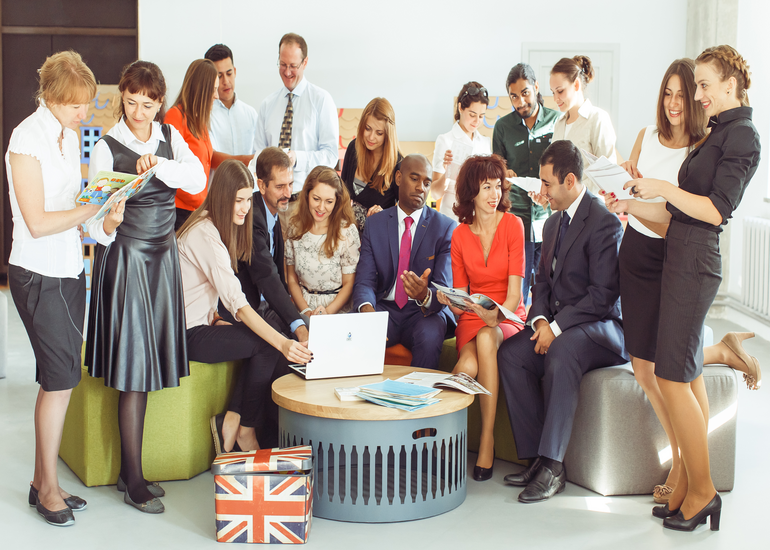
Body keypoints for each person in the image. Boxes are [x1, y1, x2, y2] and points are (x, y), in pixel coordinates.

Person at [605, 45, 760, 532]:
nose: (698, 95)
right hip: (679, 257)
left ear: (731, 84)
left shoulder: (743, 136)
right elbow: (674, 211)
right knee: (677, 372)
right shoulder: (718, 131)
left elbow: (714, 210)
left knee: (673, 376)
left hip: (695, 261)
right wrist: (630, 203)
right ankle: (691, 485)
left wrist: (663, 187)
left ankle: (702, 490)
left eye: (704, 85)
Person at [85, 60, 206, 514]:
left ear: (160, 103)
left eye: (148, 105)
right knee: (134, 369)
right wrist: (110, 220)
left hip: (161, 259)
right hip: (128, 260)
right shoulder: (106, 147)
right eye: (131, 102)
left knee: (147, 367)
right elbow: (93, 221)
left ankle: (128, 472)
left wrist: (161, 165)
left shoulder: (170, 137)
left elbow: (199, 179)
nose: (138, 112)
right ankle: (133, 480)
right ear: (123, 97)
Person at [498, 140, 627, 502]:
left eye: (547, 184)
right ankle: (537, 459)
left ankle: (554, 467)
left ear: (570, 181)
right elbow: (541, 283)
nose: (542, 192)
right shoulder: (553, 223)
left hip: (603, 329)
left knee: (563, 350)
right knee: (511, 354)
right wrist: (541, 321)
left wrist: (555, 329)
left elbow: (602, 296)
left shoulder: (604, 222)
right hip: (560, 324)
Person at [6, 51, 99, 527]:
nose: (84, 113)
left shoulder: (68, 135)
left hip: (67, 269)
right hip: (38, 272)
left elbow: (69, 201)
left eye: (86, 103)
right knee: (60, 380)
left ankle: (43, 481)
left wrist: (101, 202)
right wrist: (89, 211)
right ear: (52, 97)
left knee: (57, 379)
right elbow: (38, 222)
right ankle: (47, 489)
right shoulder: (26, 139)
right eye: (75, 105)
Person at [177, 160, 312, 454]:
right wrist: (283, 343)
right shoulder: (204, 234)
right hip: (185, 335)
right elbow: (236, 302)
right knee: (268, 344)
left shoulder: (214, 226)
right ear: (223, 197)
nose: (245, 208)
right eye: (238, 200)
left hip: (201, 324)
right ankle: (244, 429)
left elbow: (197, 291)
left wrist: (214, 318)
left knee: (267, 334)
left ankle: (235, 420)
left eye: (247, 200)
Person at [436, 155, 527, 481]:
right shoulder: (460, 235)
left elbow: (515, 295)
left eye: (497, 185)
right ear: (470, 192)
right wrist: (450, 301)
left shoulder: (514, 225)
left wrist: (496, 316)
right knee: (467, 366)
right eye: (486, 186)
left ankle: (486, 438)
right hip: (473, 317)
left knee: (488, 337)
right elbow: (462, 301)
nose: (494, 193)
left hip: (508, 315)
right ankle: (445, 445)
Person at [352, 154, 456, 369]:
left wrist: (425, 295)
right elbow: (365, 280)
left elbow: (443, 288)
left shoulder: (444, 227)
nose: (421, 188)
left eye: (427, 183)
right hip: (384, 307)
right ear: (398, 178)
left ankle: (418, 390)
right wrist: (368, 312)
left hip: (423, 312)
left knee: (430, 335)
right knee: (358, 329)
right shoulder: (376, 224)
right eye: (415, 179)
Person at [249, 32, 339, 234]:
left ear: (305, 62)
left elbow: (330, 155)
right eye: (283, 64)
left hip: (304, 205)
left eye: (293, 66)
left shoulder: (321, 101)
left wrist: (297, 158)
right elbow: (258, 155)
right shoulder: (267, 105)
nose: (287, 72)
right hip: (269, 206)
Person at [224, 147, 308, 343]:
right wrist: (297, 326)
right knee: (286, 340)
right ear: (261, 185)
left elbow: (277, 275)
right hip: (245, 310)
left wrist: (297, 319)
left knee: (308, 326)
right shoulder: (251, 217)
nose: (288, 193)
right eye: (280, 187)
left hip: (267, 305)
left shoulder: (272, 210)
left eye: (290, 184)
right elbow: (267, 275)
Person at [493, 63, 560, 307]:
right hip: (516, 218)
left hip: (550, 216)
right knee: (516, 290)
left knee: (549, 286)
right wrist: (503, 173)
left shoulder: (557, 121)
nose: (520, 102)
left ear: (536, 87)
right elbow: (495, 172)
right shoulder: (502, 127)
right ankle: (516, 328)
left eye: (525, 93)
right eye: (514, 96)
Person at [286, 166, 360, 316]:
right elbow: (291, 278)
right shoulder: (294, 228)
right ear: (307, 195)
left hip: (337, 308)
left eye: (329, 201)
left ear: (337, 201)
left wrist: (327, 312)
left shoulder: (347, 231)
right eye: (316, 199)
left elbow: (349, 283)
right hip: (302, 305)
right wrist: (306, 310)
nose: (321, 207)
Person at [164, 58, 219, 229]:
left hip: (196, 211)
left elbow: (208, 160)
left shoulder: (200, 123)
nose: (217, 96)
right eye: (213, 90)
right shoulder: (175, 117)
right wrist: (202, 202)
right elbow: (169, 169)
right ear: (202, 89)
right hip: (179, 212)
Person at [550, 55, 617, 194]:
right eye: (553, 92)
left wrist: (574, 193)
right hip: (562, 205)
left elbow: (608, 173)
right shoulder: (559, 124)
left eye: (560, 91)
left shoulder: (597, 119)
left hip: (589, 204)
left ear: (576, 84)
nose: (556, 98)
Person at [430, 82, 491, 222]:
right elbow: (434, 194)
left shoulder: (484, 142)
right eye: (472, 114)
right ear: (460, 107)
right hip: (452, 218)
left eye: (481, 116)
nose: (477, 121)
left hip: (479, 218)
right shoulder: (445, 140)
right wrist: (447, 172)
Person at [340, 97, 402, 232]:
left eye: (379, 133)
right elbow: (341, 190)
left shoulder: (398, 165)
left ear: (388, 135)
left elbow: (403, 213)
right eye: (368, 129)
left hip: (376, 236)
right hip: (346, 235)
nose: (371, 137)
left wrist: (383, 214)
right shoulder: (354, 148)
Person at [204, 44, 259, 168]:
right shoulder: (205, 115)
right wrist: (249, 160)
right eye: (219, 76)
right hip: (219, 181)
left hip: (249, 181)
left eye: (229, 73)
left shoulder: (250, 113)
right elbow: (210, 157)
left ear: (235, 72)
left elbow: (260, 151)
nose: (226, 81)